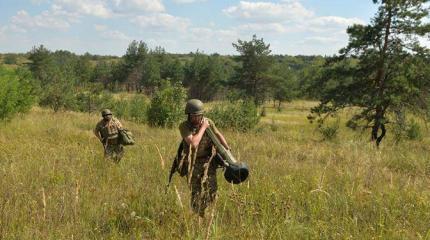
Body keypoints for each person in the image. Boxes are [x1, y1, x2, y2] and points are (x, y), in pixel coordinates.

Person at [178, 99, 231, 219]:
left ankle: (205, 212)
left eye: (198, 116)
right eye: (193, 116)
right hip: (193, 163)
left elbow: (217, 134)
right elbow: (193, 143)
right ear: (188, 115)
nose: (195, 119)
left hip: (208, 162)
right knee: (195, 193)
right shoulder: (184, 126)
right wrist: (203, 128)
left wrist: (227, 149)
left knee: (212, 191)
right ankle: (197, 216)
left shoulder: (208, 122)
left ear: (202, 114)